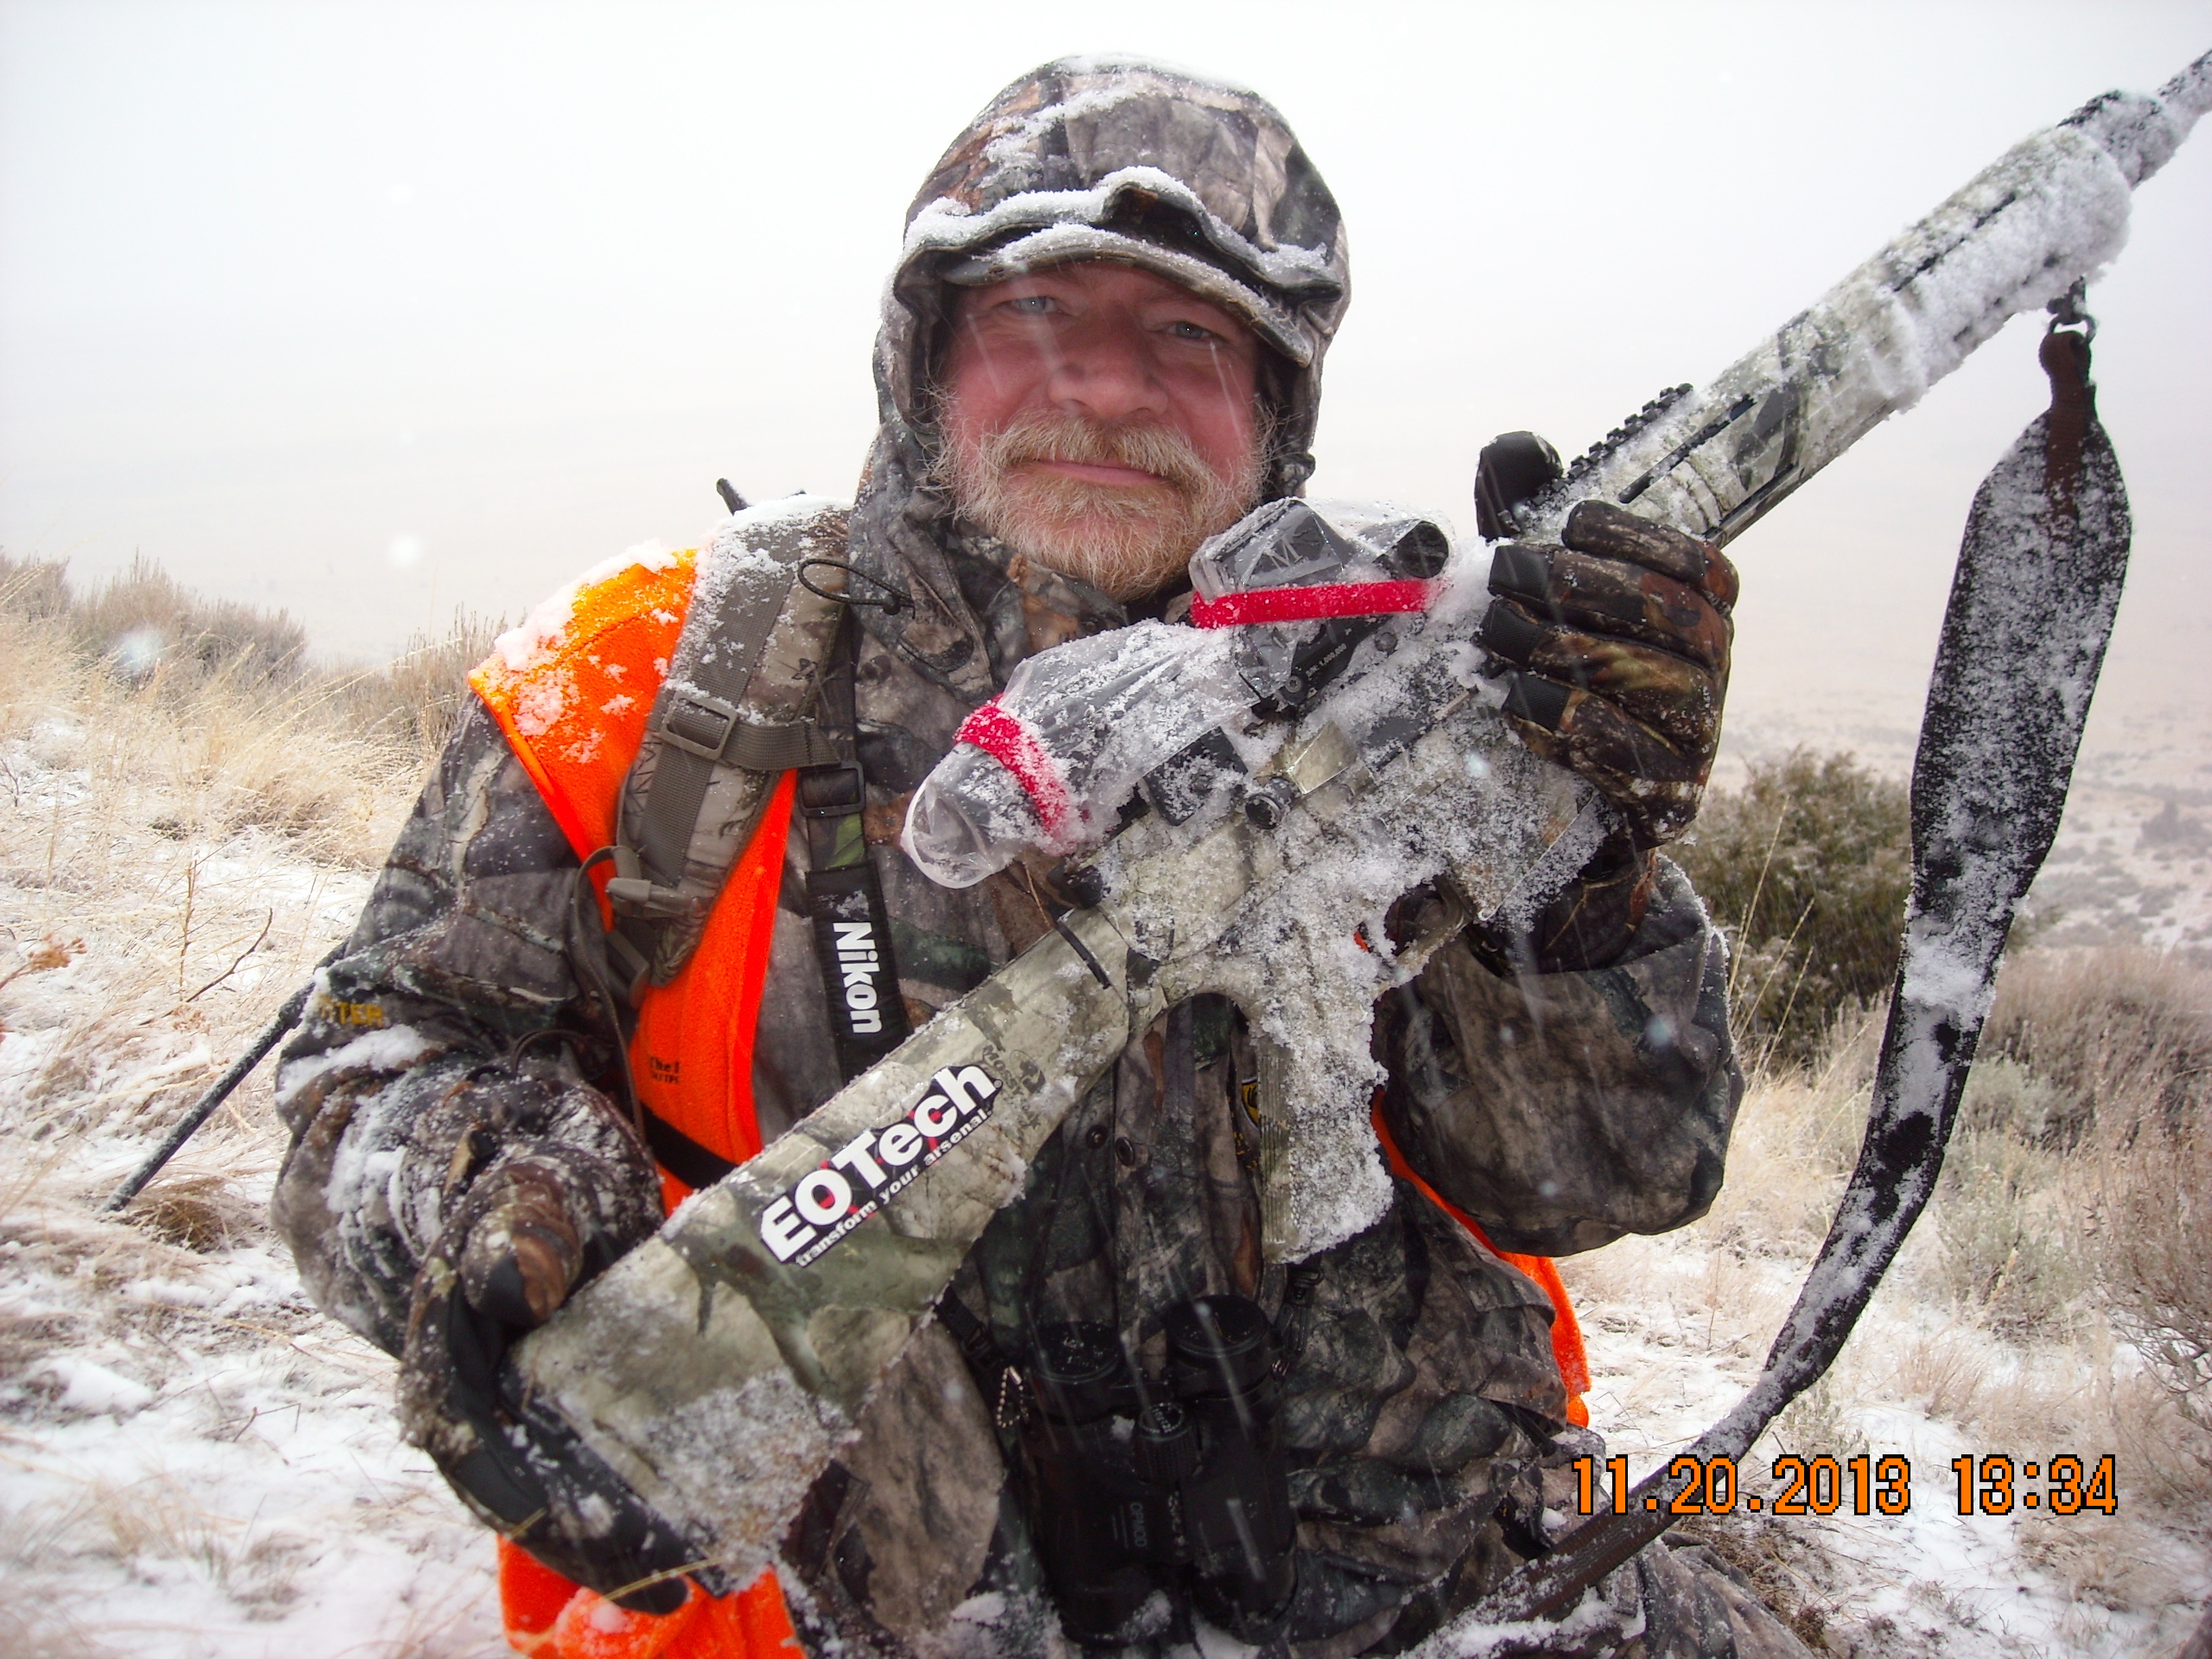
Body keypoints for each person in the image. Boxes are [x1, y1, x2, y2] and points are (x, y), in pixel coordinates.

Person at [273, 56, 1808, 1659]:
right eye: (1035, 314)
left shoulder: (1396, 691)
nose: (1108, 388)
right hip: (818, 1614)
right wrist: (497, 1193)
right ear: (920, 359)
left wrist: (1574, 855)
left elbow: (1615, 1168)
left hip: (1425, 1571)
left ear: (1273, 409)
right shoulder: (659, 678)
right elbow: (371, 1067)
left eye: (1190, 335)